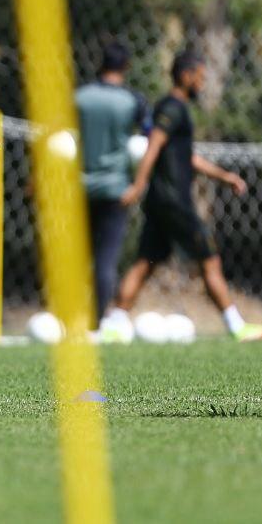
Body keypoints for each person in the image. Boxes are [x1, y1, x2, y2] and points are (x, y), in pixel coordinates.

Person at [99, 49, 262, 343]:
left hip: (162, 201)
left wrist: (224, 176)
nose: (202, 83)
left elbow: (186, 157)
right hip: (174, 201)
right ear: (185, 75)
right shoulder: (172, 108)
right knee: (209, 259)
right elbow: (153, 146)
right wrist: (138, 185)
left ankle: (112, 324)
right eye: (200, 77)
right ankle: (236, 326)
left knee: (144, 262)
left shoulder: (174, 108)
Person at [75, 41, 148, 322]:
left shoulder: (80, 97)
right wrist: (138, 185)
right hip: (117, 190)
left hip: (80, 188)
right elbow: (150, 142)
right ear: (126, 66)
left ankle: (71, 316)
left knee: (77, 257)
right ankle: (96, 321)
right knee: (105, 260)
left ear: (100, 63)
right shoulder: (133, 101)